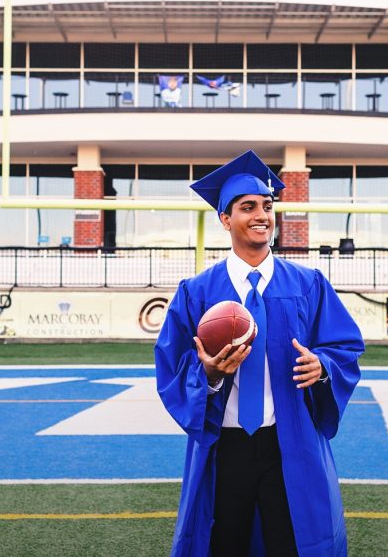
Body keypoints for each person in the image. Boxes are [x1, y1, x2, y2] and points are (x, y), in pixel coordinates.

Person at [155, 149, 364, 557]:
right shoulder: (197, 292)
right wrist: (210, 374)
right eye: (247, 206)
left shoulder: (308, 285)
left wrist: (322, 367)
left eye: (267, 206)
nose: (261, 215)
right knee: (222, 544)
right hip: (224, 448)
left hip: (290, 445)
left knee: (291, 544)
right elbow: (171, 366)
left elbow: (344, 347)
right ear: (224, 219)